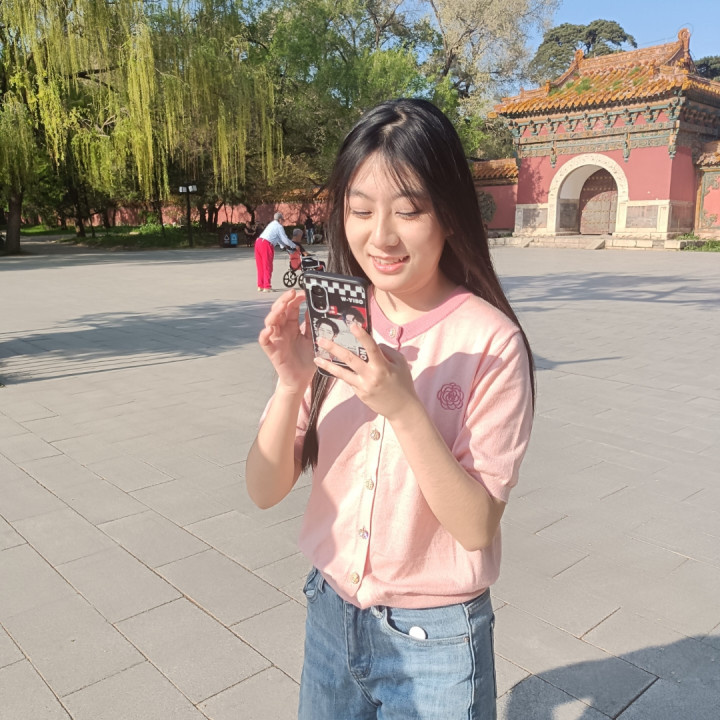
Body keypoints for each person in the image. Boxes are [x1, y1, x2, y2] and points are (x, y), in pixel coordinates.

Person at [246, 98, 535, 720]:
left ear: (449, 214)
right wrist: (291, 384)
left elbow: (476, 527)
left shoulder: (491, 343)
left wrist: (403, 409)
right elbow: (263, 490)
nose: (381, 236)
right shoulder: (336, 322)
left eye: (408, 210)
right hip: (330, 612)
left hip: (437, 638)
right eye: (360, 210)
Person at [254, 211, 298, 292]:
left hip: (258, 242)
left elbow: (279, 239)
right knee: (267, 266)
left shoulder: (271, 224)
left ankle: (260, 285)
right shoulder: (279, 226)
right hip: (266, 245)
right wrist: (294, 246)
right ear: (280, 219)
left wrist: (284, 246)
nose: (283, 222)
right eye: (282, 220)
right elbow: (284, 239)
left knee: (260, 266)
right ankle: (267, 287)